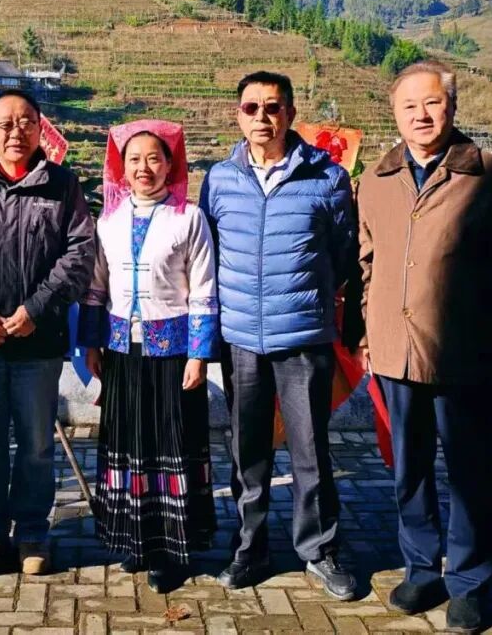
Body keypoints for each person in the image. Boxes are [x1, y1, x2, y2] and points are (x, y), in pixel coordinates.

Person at [357, 60, 492, 634]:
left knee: (469, 471)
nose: (421, 115)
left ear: (452, 107)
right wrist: (365, 333)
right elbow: (366, 265)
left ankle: (469, 581)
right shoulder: (376, 179)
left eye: (431, 103)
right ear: (394, 113)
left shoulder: (490, 177)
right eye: (409, 106)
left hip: (466, 353)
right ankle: (421, 570)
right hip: (395, 352)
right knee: (408, 470)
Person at [199, 71, 358, 598]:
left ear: (290, 113)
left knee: (310, 450)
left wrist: (308, 301)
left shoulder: (327, 178)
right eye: (251, 108)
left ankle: (319, 550)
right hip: (241, 338)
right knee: (248, 451)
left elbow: (342, 255)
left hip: (304, 338)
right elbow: (208, 251)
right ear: (237, 115)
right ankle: (250, 548)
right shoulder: (220, 179)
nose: (262, 118)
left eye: (273, 107)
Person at [0, 89, 95, 575]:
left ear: (40, 129)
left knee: (36, 444)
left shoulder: (62, 185)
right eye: (4, 123)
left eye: (26, 122)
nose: (15, 132)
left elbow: (79, 255)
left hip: (39, 343)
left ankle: (32, 534)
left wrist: (35, 310)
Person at [78, 121, 218, 592]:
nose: (144, 168)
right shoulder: (108, 222)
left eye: (154, 158)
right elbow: (96, 287)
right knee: (130, 444)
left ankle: (171, 550)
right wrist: (92, 345)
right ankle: (135, 540)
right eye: (134, 159)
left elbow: (203, 290)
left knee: (170, 445)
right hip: (122, 352)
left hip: (173, 353)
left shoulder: (189, 219)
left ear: (170, 164)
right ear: (121, 168)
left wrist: (199, 355)